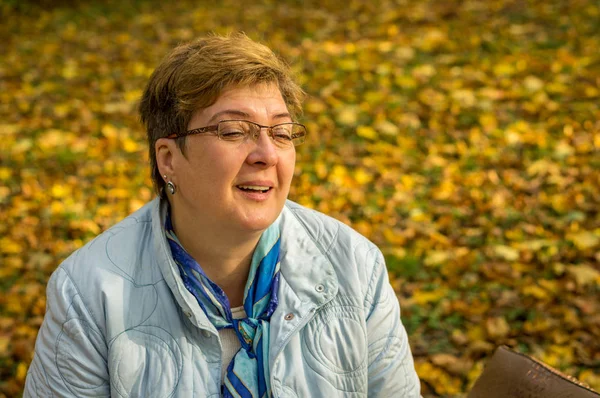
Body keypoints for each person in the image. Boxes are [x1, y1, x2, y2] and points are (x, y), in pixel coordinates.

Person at [24, 33, 421, 397]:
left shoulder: (355, 265)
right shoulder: (88, 294)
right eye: (233, 131)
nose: (266, 154)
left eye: (282, 133)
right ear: (169, 160)